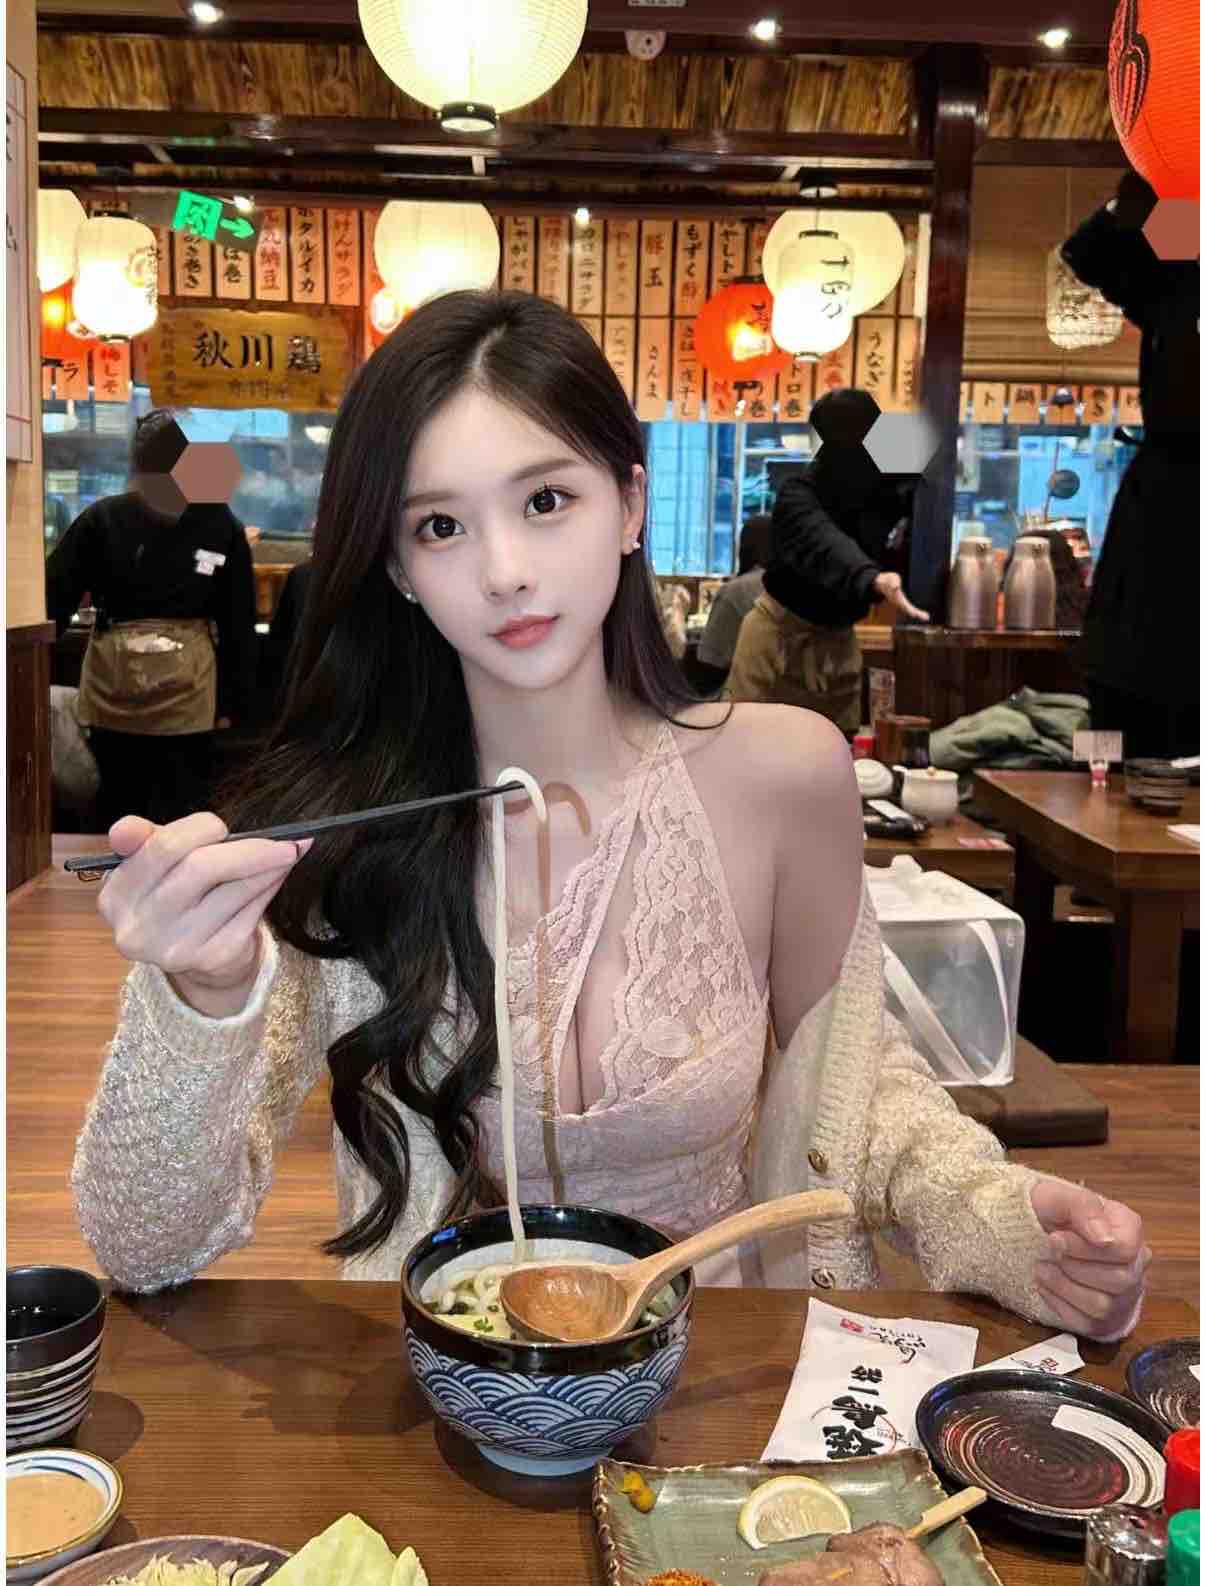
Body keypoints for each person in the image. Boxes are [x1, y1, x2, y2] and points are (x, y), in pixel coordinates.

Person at [72, 291, 1147, 1342]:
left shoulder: (784, 774)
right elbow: (142, 1245)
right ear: (397, 567)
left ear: (629, 504)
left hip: (724, 1380)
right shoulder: (346, 830)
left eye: (547, 501)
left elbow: (852, 1087)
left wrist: (997, 1219)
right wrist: (202, 995)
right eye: (442, 525)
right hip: (444, 1397)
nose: (505, 572)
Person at [46, 410, 258, 830]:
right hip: (188, 698)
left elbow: (53, 601)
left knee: (117, 805)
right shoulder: (220, 523)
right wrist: (234, 704)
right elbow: (238, 625)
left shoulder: (102, 517)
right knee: (184, 810)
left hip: (114, 692)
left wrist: (31, 665)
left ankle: (116, 867)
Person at [1059, 171, 1198, 758]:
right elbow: (1088, 254)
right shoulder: (1186, 268)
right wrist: (1147, 186)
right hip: (1160, 515)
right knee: (1118, 718)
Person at [727, 389, 929, 733]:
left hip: (838, 642)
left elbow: (924, 496)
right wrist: (872, 578)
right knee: (750, 741)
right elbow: (824, 542)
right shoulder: (798, 493)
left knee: (840, 746)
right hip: (777, 639)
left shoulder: (886, 488)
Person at [693, 514, 772, 694]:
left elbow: (709, 662)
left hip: (740, 699)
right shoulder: (799, 590)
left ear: (744, 548)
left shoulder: (737, 591)